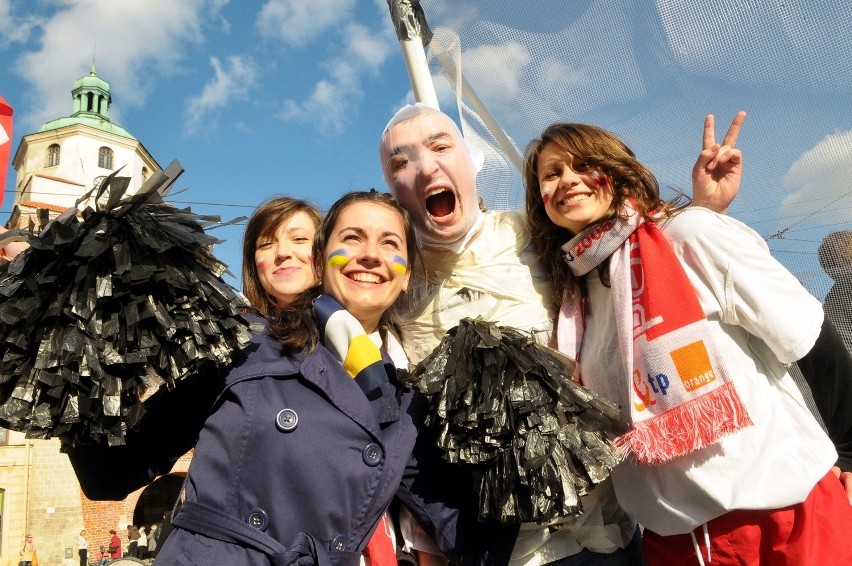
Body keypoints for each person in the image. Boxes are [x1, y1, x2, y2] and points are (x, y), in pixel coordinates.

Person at [65, 190, 515, 565]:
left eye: (390, 244)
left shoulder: (405, 399)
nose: (371, 255)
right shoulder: (242, 343)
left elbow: (469, 531)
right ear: (323, 261)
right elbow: (111, 470)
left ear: (406, 276)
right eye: (352, 237)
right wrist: (80, 349)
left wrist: (524, 439)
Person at [522, 117, 852, 564]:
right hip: (674, 542)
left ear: (618, 172)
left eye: (584, 164)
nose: (568, 181)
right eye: (551, 174)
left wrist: (850, 453)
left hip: (784, 517)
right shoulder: (575, 307)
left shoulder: (689, 235)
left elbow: (811, 336)